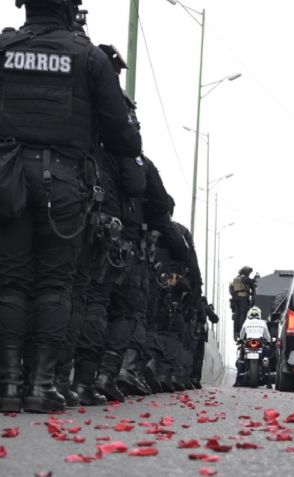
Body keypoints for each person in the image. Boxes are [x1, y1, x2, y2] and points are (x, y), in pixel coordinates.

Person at [0, 0, 142, 413]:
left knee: (9, 282)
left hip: (7, 180)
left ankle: (7, 386)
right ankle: (41, 387)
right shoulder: (89, 58)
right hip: (61, 185)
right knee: (53, 285)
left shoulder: (4, 48)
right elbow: (124, 139)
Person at [230, 266, 256, 341]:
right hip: (243, 299)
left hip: (235, 299)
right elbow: (252, 284)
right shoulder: (245, 278)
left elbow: (231, 290)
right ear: (246, 272)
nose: (249, 273)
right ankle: (242, 331)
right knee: (243, 315)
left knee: (236, 316)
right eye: (249, 272)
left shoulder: (236, 279)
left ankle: (235, 332)